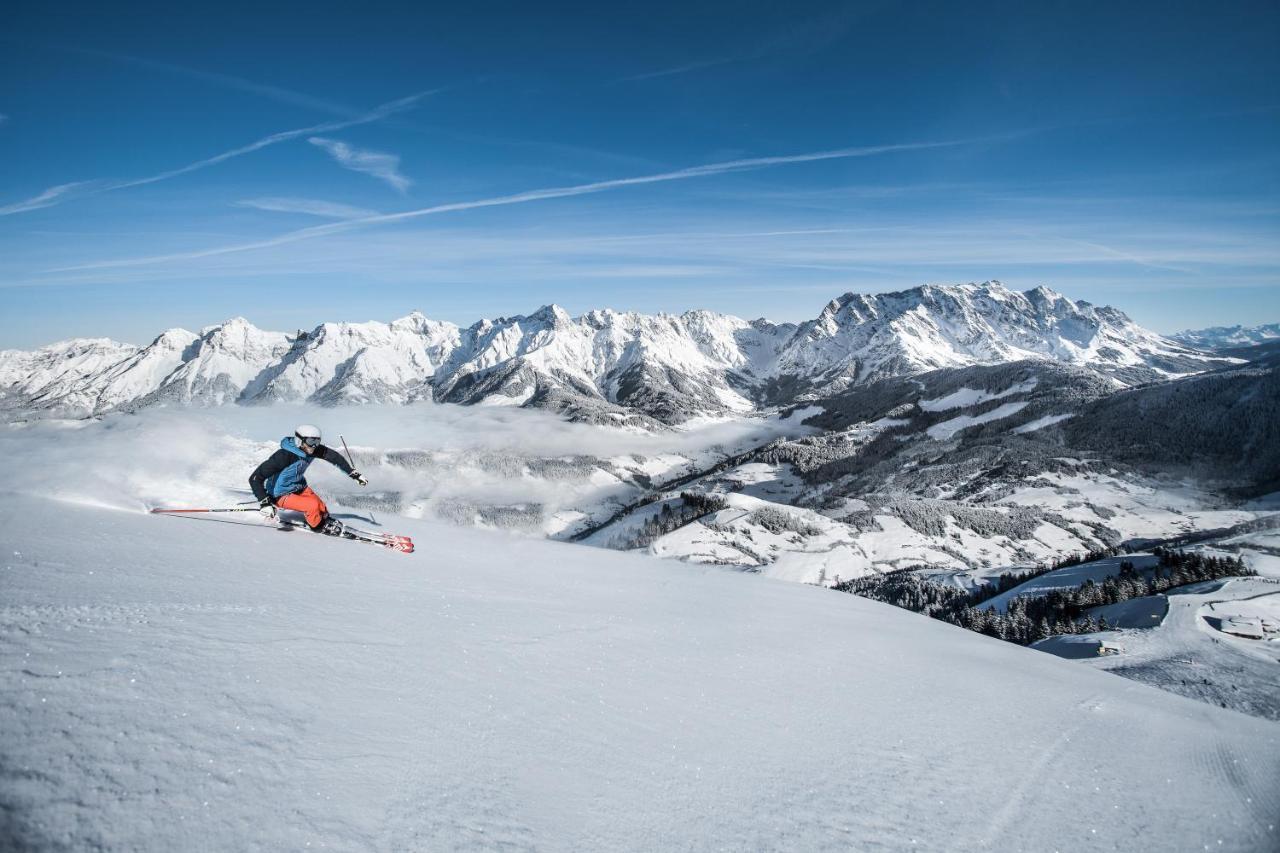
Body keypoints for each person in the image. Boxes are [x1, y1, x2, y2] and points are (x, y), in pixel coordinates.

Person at [249, 424, 368, 536]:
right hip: (279, 494)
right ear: (299, 440)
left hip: (298, 486)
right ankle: (318, 527)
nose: (314, 446)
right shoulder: (284, 456)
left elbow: (335, 457)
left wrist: (352, 473)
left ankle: (323, 519)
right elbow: (255, 478)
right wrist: (264, 502)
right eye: (311, 441)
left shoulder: (311, 449)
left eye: (317, 441)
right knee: (312, 506)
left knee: (321, 507)